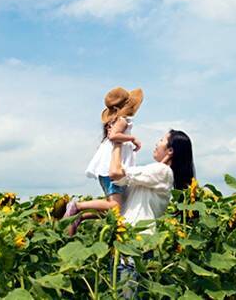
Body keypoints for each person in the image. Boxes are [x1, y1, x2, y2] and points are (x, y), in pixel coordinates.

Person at [109, 129, 196, 299]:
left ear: (170, 150)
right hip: (130, 243)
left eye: (161, 139)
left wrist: (117, 141)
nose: (157, 143)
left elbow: (115, 172)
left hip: (133, 244)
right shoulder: (154, 174)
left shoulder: (162, 171)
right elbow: (118, 179)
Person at [64, 87, 143, 235]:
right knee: (115, 207)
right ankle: (78, 206)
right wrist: (133, 139)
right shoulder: (123, 120)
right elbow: (114, 136)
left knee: (116, 212)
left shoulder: (114, 121)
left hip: (106, 168)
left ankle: (80, 217)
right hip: (110, 168)